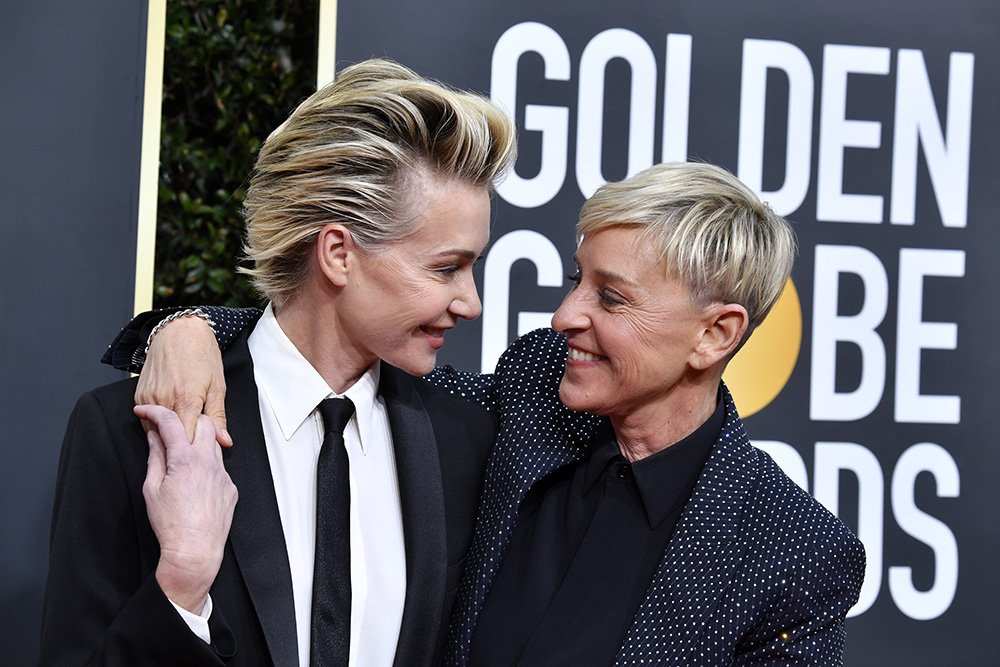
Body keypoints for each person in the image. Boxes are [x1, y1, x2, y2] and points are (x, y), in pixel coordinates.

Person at [101, 162, 865, 665]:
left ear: (717, 333)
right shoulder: (536, 392)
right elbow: (342, 357)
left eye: (612, 296)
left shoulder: (792, 553)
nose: (566, 313)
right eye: (577, 279)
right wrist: (189, 328)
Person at [40, 57, 516, 666]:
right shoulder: (131, 434)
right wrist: (182, 586)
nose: (471, 303)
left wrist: (186, 321)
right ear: (339, 253)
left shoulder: (467, 436)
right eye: (446, 268)